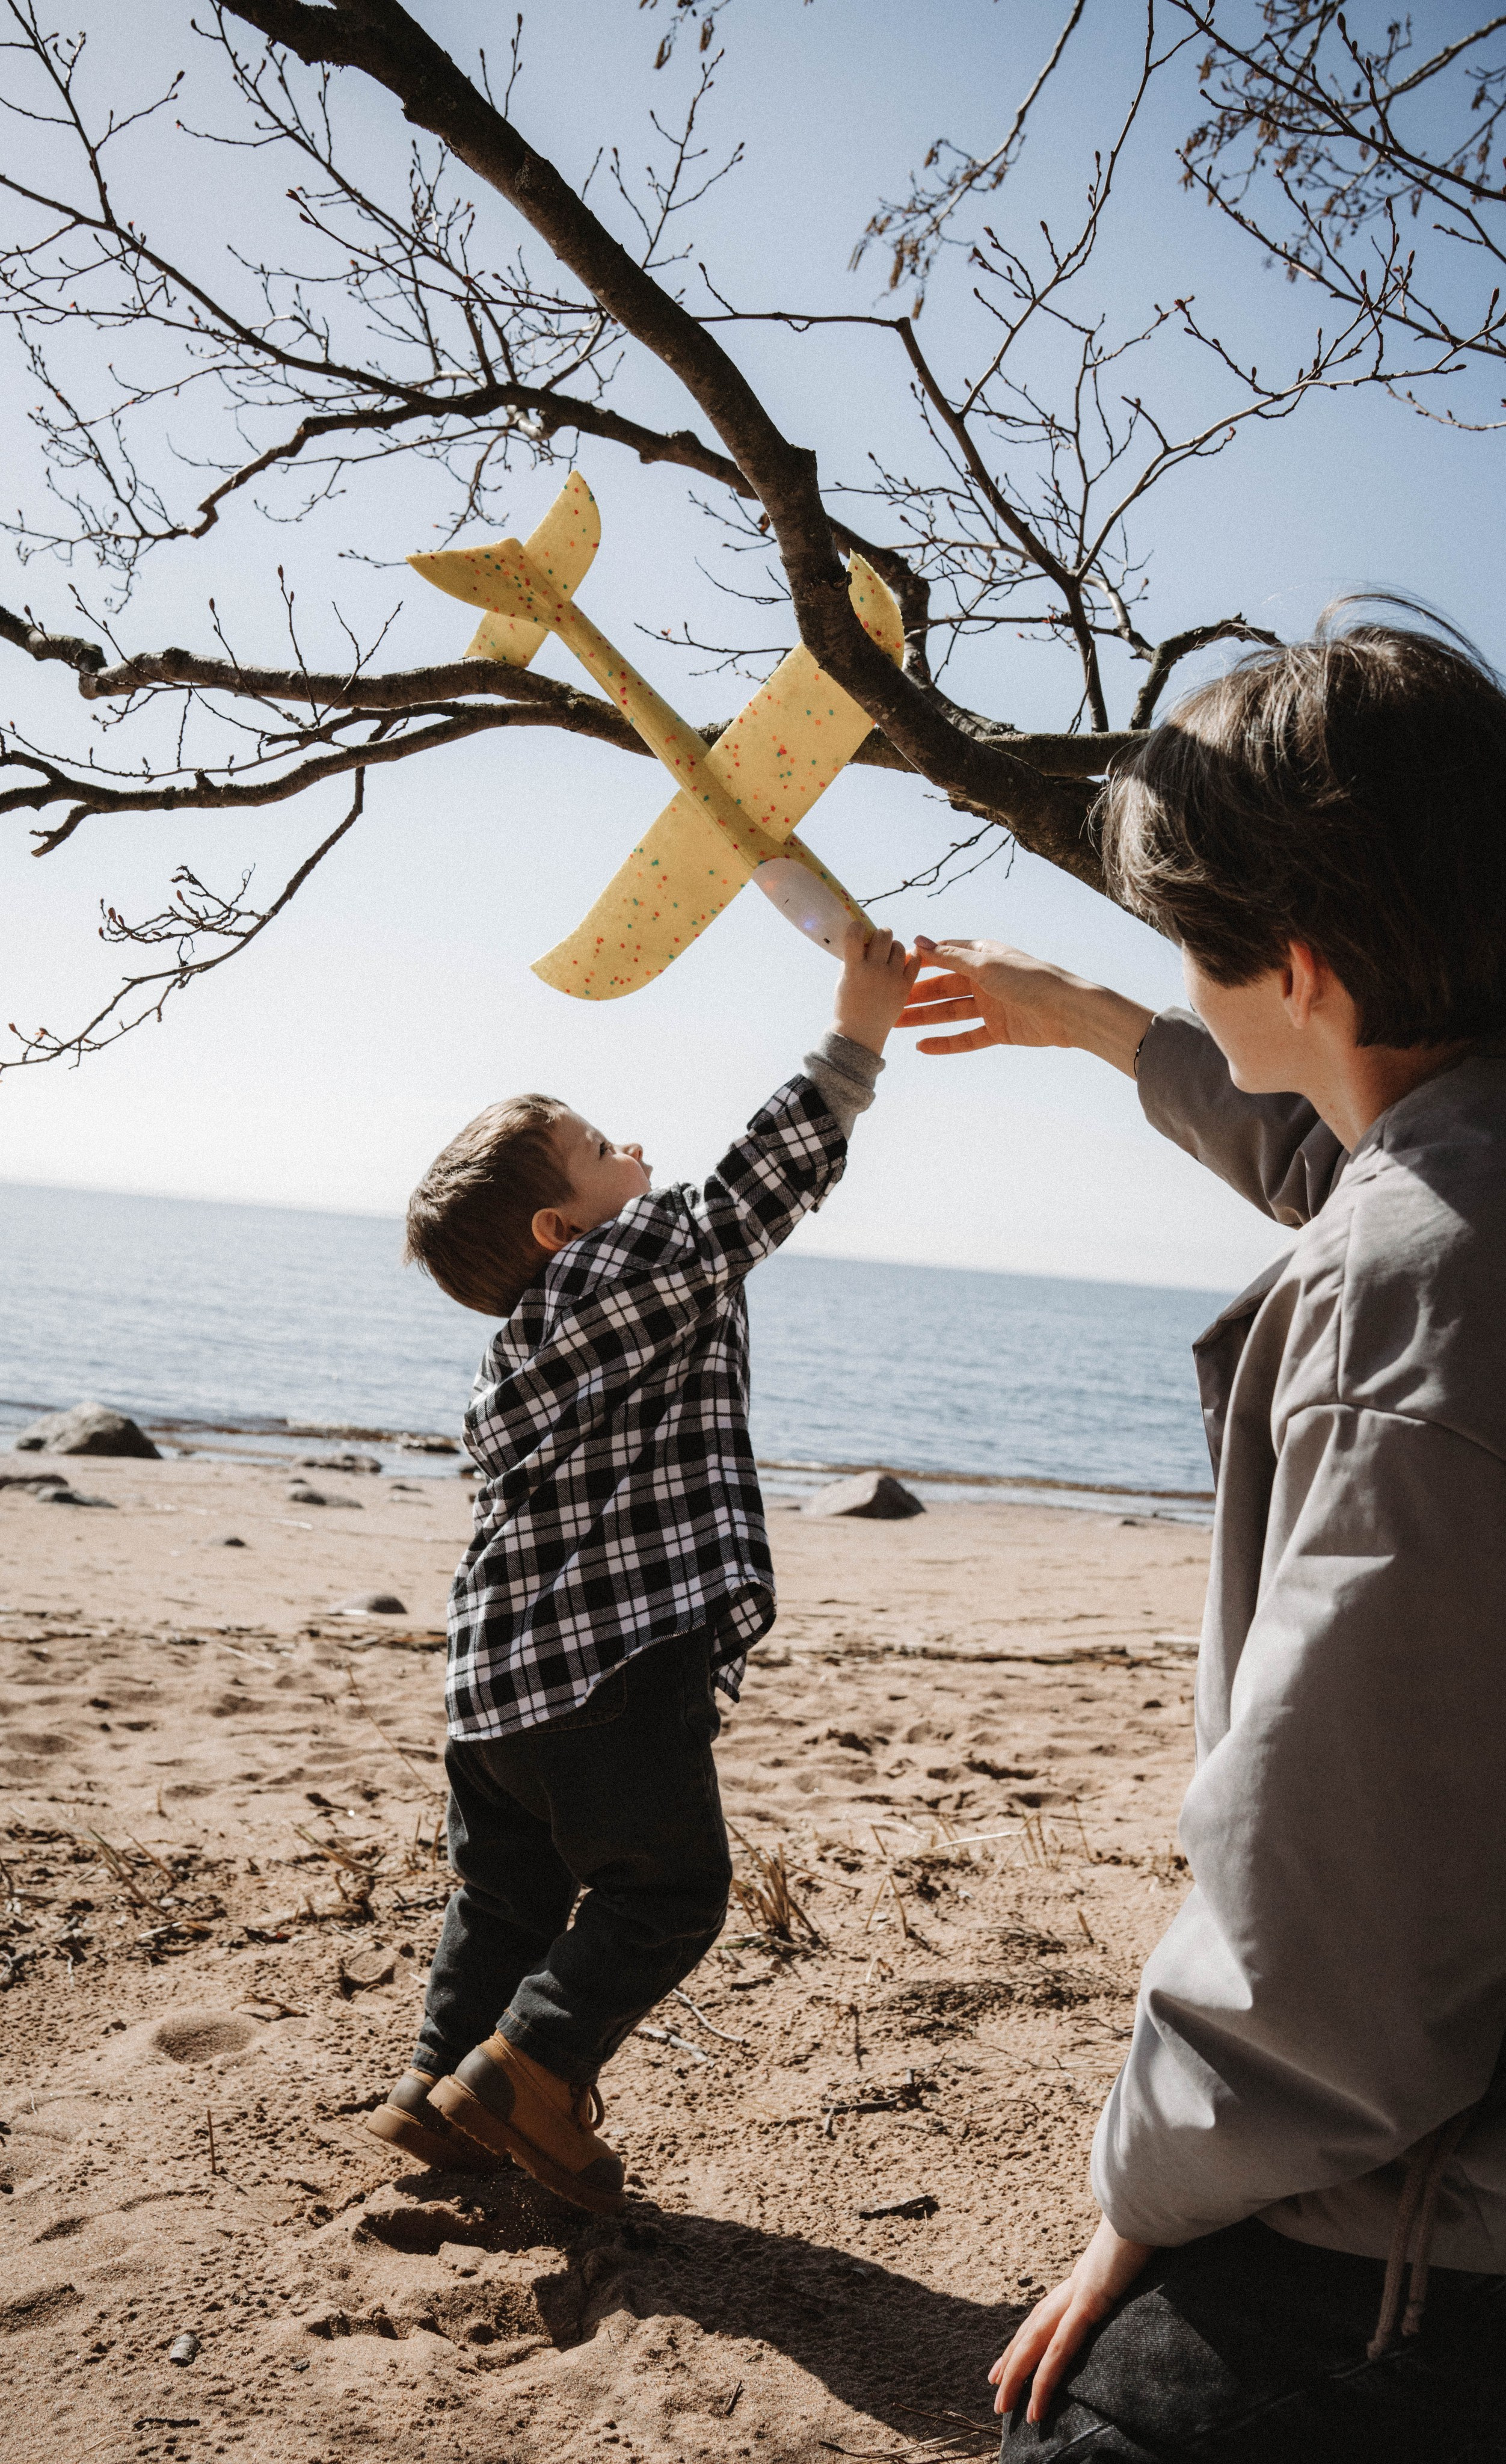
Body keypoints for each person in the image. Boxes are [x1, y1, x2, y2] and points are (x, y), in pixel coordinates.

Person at [899, 616, 1506, 2459]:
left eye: (1186, 944)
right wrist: (1086, 1019)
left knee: (1074, 2418)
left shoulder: (1421, 1299)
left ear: (1304, 970)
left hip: (1439, 2227)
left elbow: (1341, 1910)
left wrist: (1146, 2198)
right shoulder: (1462, 1168)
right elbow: (1338, 1156)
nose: (1175, 971)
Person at [364, 923, 919, 2214]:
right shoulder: (616, 1269)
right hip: (604, 1670)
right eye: (609, 1151)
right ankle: (531, 2071)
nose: (642, 1159)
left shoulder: (518, 1348)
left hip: (492, 1691)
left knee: (504, 1896)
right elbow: (743, 1200)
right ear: (563, 1227)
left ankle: (440, 2085)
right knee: (668, 1888)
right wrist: (854, 1040)